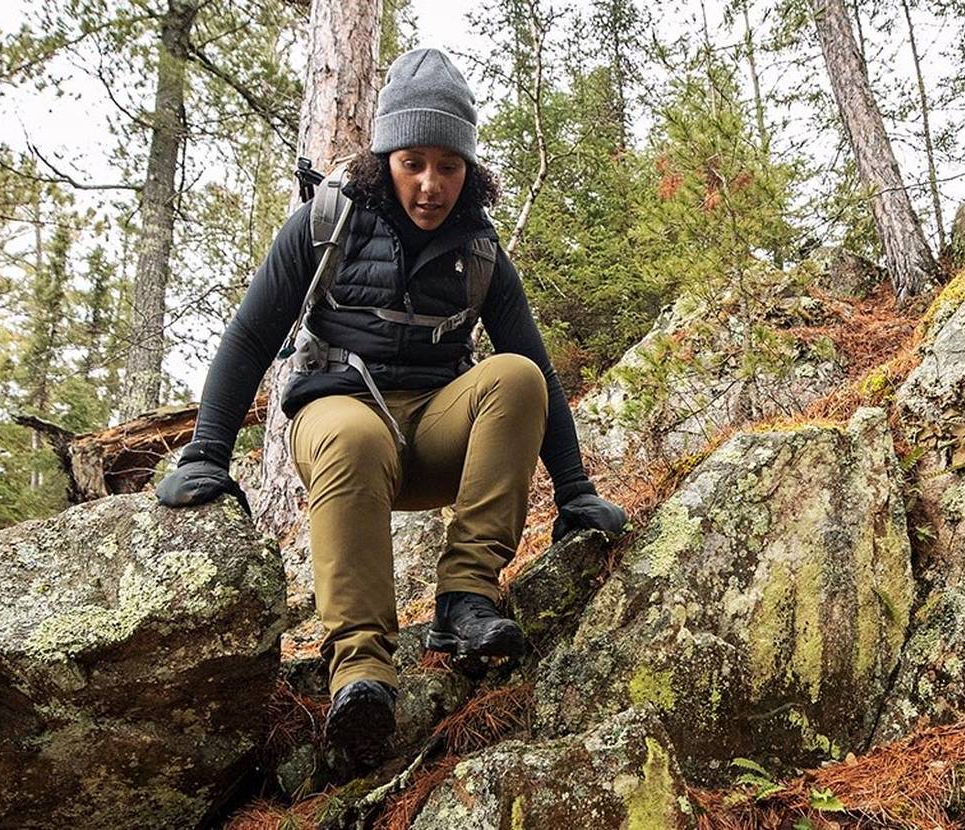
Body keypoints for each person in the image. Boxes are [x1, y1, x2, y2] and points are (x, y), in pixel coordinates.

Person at [155, 47, 627, 772]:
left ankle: (465, 602)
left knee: (517, 376)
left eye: (448, 164)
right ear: (385, 157)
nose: (431, 184)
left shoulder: (481, 250)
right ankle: (362, 675)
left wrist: (575, 492)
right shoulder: (324, 225)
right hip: (340, 422)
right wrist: (208, 455)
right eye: (413, 162)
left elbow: (538, 375)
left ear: (468, 167)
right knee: (351, 436)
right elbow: (249, 337)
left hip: (436, 431)